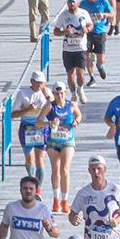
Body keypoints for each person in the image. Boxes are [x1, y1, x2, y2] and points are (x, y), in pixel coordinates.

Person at [40, 84, 79, 213]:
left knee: (65, 170)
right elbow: (38, 121)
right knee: (55, 171)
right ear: (53, 94)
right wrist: (49, 123)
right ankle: (56, 200)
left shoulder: (71, 105)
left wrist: (76, 122)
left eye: (61, 93)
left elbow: (79, 115)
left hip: (67, 141)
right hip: (53, 142)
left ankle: (65, 200)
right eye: (57, 94)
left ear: (65, 92)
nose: (59, 96)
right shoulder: (50, 106)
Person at [11, 70, 52, 184]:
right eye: (37, 82)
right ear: (31, 81)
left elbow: (54, 108)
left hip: (41, 127)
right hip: (27, 128)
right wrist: (27, 110)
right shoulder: (23, 94)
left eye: (42, 83)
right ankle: (31, 178)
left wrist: (49, 97)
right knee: (30, 159)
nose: (39, 85)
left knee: (40, 160)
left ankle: (38, 188)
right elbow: (13, 115)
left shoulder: (46, 93)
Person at [53, 0, 94, 104]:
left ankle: (80, 89)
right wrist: (64, 32)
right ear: (67, 3)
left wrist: (87, 29)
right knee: (70, 73)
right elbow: (56, 31)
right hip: (68, 49)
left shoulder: (83, 13)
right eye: (70, 2)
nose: (71, 4)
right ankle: (73, 94)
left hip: (81, 48)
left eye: (73, 2)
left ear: (77, 3)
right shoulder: (63, 16)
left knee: (80, 73)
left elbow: (91, 25)